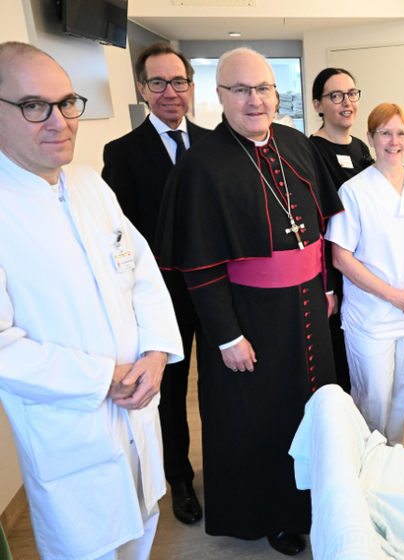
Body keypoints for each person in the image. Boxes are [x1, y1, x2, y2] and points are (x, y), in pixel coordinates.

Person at [155, 47, 343, 555]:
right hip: (252, 319)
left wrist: (326, 285)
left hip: (308, 307)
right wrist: (226, 335)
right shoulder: (202, 164)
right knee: (264, 420)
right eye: (240, 90)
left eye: (263, 89)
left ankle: (316, 498)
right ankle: (276, 515)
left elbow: (320, 229)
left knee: (314, 407)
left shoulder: (295, 143)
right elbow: (199, 263)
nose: (254, 100)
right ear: (219, 96)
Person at [0, 42, 183, 560]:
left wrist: (154, 355)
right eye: (35, 106)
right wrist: (104, 378)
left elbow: (141, 272)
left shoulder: (89, 185)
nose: (60, 121)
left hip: (137, 410)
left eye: (67, 102)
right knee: (92, 549)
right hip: (72, 432)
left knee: (141, 534)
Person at [100, 40, 209, 527]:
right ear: (142, 89)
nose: (170, 92)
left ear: (191, 86)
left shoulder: (215, 142)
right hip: (162, 296)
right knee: (174, 390)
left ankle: (226, 471)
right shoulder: (121, 153)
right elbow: (119, 236)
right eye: (158, 82)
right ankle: (179, 478)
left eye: (179, 81)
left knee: (229, 385)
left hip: (217, 291)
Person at [326, 103, 404, 446]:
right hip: (373, 317)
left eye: (401, 133)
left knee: (403, 394)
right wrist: (392, 295)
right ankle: (366, 466)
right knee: (373, 399)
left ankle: (393, 457)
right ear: (370, 138)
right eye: (385, 133)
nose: (393, 141)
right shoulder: (354, 191)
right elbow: (341, 258)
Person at [308, 67, 374, 397]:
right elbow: (315, 227)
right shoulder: (310, 152)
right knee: (338, 363)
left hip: (365, 270)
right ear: (318, 105)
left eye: (351, 94)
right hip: (335, 274)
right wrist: (328, 286)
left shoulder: (361, 148)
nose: (346, 102)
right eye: (336, 96)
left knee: (364, 360)